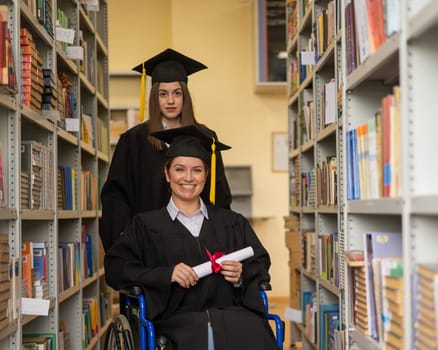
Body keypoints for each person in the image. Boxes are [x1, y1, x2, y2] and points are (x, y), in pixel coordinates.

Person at [104, 125, 279, 350]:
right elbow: (116, 268)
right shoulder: (144, 226)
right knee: (201, 335)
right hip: (175, 324)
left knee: (255, 333)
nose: (188, 177)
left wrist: (241, 274)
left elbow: (260, 260)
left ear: (206, 175)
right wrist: (167, 274)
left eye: (197, 170)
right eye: (179, 169)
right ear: (167, 174)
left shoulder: (232, 222)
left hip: (235, 318)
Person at [99, 48, 232, 253]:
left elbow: (220, 195)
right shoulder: (134, 141)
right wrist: (127, 245)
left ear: (185, 96)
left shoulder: (205, 138)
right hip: (148, 246)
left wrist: (218, 242)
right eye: (163, 94)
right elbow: (116, 198)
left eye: (177, 93)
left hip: (197, 245)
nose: (170, 101)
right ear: (154, 97)